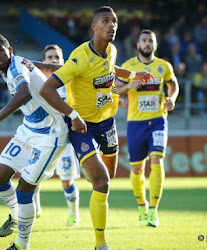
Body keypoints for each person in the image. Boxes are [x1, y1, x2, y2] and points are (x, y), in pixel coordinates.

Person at [40, 6, 154, 250]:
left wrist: (135, 75)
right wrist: (72, 114)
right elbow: (46, 89)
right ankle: (100, 243)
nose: (112, 25)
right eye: (105, 21)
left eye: (114, 21)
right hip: (83, 127)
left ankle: (90, 168)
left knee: (107, 178)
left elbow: (112, 69)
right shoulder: (80, 57)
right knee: (102, 182)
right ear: (94, 27)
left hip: (108, 123)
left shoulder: (111, 50)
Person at [0, 34, 68, 250]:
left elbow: (24, 92)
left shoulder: (15, 67)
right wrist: (57, 67)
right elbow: (38, 67)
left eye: (0, 50)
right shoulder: (13, 65)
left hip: (50, 133)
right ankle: (16, 215)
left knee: (24, 189)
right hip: (28, 129)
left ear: (9, 50)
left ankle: (21, 244)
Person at [115, 29, 179, 227]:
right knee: (136, 168)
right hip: (135, 123)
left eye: (150, 41)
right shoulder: (128, 66)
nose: (147, 44)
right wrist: (128, 88)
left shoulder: (164, 66)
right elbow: (115, 89)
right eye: (143, 41)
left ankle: (153, 210)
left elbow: (173, 84)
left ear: (155, 45)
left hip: (158, 119)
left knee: (157, 159)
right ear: (138, 45)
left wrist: (172, 98)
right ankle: (141, 206)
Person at [33, 44, 81, 226]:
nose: (53, 60)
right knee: (32, 176)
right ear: (44, 62)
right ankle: (36, 207)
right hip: (44, 137)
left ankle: (73, 213)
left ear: (63, 61)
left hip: (65, 140)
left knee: (67, 181)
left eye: (57, 58)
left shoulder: (70, 82)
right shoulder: (38, 83)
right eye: (50, 58)